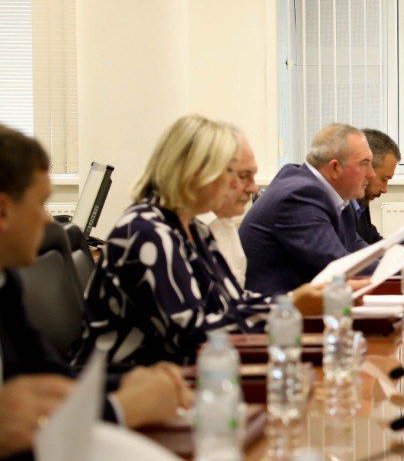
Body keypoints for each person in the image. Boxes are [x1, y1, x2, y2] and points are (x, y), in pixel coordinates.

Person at [75, 116, 324, 369]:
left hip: (179, 376)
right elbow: (194, 335)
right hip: (125, 384)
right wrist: (288, 307)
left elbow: (233, 303)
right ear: (198, 173)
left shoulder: (195, 229)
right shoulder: (146, 232)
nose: (246, 187)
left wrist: (291, 303)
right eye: (237, 174)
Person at [0, 125, 189, 457]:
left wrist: (136, 381)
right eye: (42, 204)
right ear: (3, 210)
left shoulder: (6, 281)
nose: (49, 221)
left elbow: (52, 378)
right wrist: (122, 408)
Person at [240, 124, 375, 296]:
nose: (371, 174)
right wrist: (402, 268)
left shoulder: (338, 198)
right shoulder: (300, 196)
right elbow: (336, 265)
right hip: (275, 308)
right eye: (364, 164)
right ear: (335, 168)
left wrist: (403, 261)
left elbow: (360, 251)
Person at [199, 134, 258, 286]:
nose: (254, 189)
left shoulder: (225, 222)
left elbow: (235, 296)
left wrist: (293, 298)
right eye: (243, 176)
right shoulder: (173, 231)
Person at [353, 129, 400, 245]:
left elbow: (376, 243)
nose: (385, 190)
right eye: (384, 179)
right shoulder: (338, 206)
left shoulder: (361, 202)